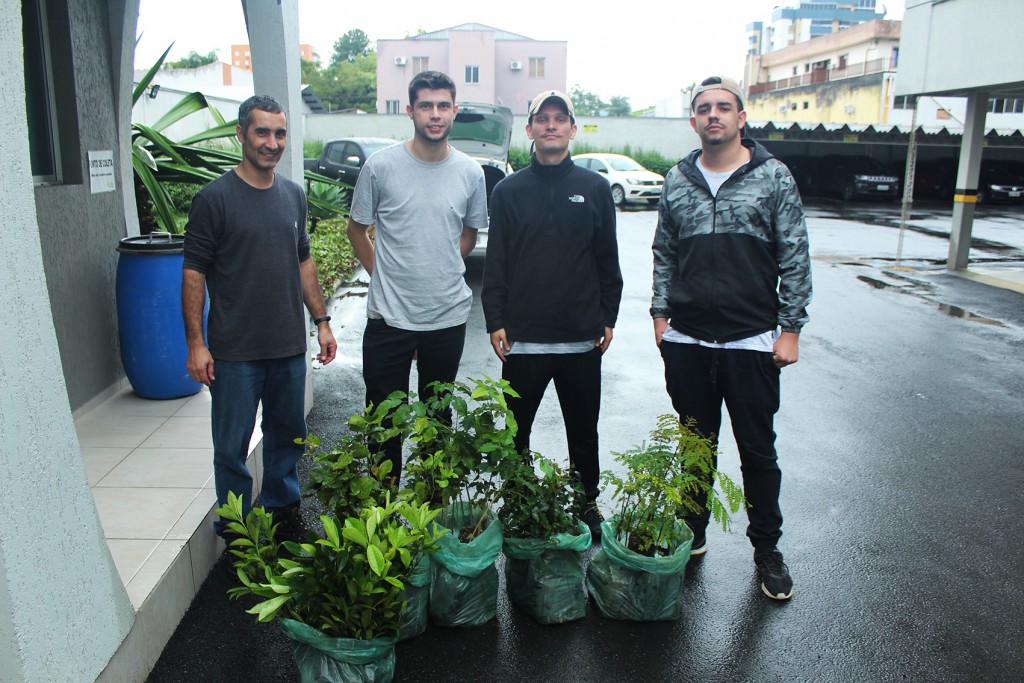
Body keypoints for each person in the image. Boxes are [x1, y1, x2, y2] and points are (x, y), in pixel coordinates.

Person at [651, 76, 811, 600]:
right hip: (689, 339)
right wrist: (661, 316)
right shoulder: (678, 180)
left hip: (751, 340)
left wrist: (790, 330)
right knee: (695, 446)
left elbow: (794, 254)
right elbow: (664, 252)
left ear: (741, 118)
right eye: (704, 108)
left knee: (757, 452)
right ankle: (691, 531)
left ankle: (767, 549)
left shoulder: (773, 176)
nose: (713, 115)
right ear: (693, 120)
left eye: (723, 107)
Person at [182, 94, 337, 541]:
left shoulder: (293, 196)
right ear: (241, 134)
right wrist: (196, 344)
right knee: (231, 448)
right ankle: (238, 535)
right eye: (262, 132)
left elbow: (303, 261)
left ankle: (282, 513)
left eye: (280, 133)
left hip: (287, 346)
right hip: (235, 353)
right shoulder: (214, 199)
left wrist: (322, 321)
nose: (272, 143)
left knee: (287, 436)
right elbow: (193, 273)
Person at [482, 90, 623, 540]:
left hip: (581, 338)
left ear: (572, 129)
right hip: (523, 340)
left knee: (583, 432)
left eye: (560, 118)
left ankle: (587, 503)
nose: (551, 125)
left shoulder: (594, 188)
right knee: (515, 433)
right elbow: (497, 261)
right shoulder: (508, 191)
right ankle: (518, 500)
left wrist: (608, 316)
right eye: (542, 118)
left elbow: (607, 259)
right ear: (529, 129)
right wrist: (495, 319)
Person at [346, 71, 488, 478]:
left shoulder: (471, 173)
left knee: (437, 423)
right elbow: (356, 230)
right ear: (410, 110)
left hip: (446, 317)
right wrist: (384, 276)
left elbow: (469, 233)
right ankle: (384, 508)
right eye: (426, 105)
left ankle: (431, 506)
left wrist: (439, 260)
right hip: (388, 319)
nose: (435, 114)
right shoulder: (381, 166)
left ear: (455, 111)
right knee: (383, 425)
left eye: (443, 106)